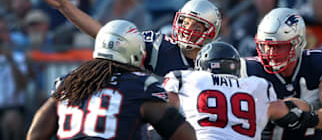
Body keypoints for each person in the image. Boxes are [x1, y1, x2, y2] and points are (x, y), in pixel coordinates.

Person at [26, 20, 196, 140]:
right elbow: (184, 134)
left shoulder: (69, 82)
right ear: (135, 52)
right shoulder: (141, 85)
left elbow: (36, 134)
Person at [39, 0, 222, 77]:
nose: (187, 30)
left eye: (196, 27)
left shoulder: (221, 60)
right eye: (185, 22)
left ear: (211, 32)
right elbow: (105, 34)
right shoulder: (159, 47)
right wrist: (65, 6)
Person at [163, 41, 316, 139]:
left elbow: (162, 105)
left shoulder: (188, 79)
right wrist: (311, 114)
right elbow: (283, 108)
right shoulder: (256, 86)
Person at [242, 8, 322, 139]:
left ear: (297, 43)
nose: (271, 53)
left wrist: (303, 117)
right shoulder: (248, 69)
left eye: (278, 46)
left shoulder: (319, 62)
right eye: (267, 46)